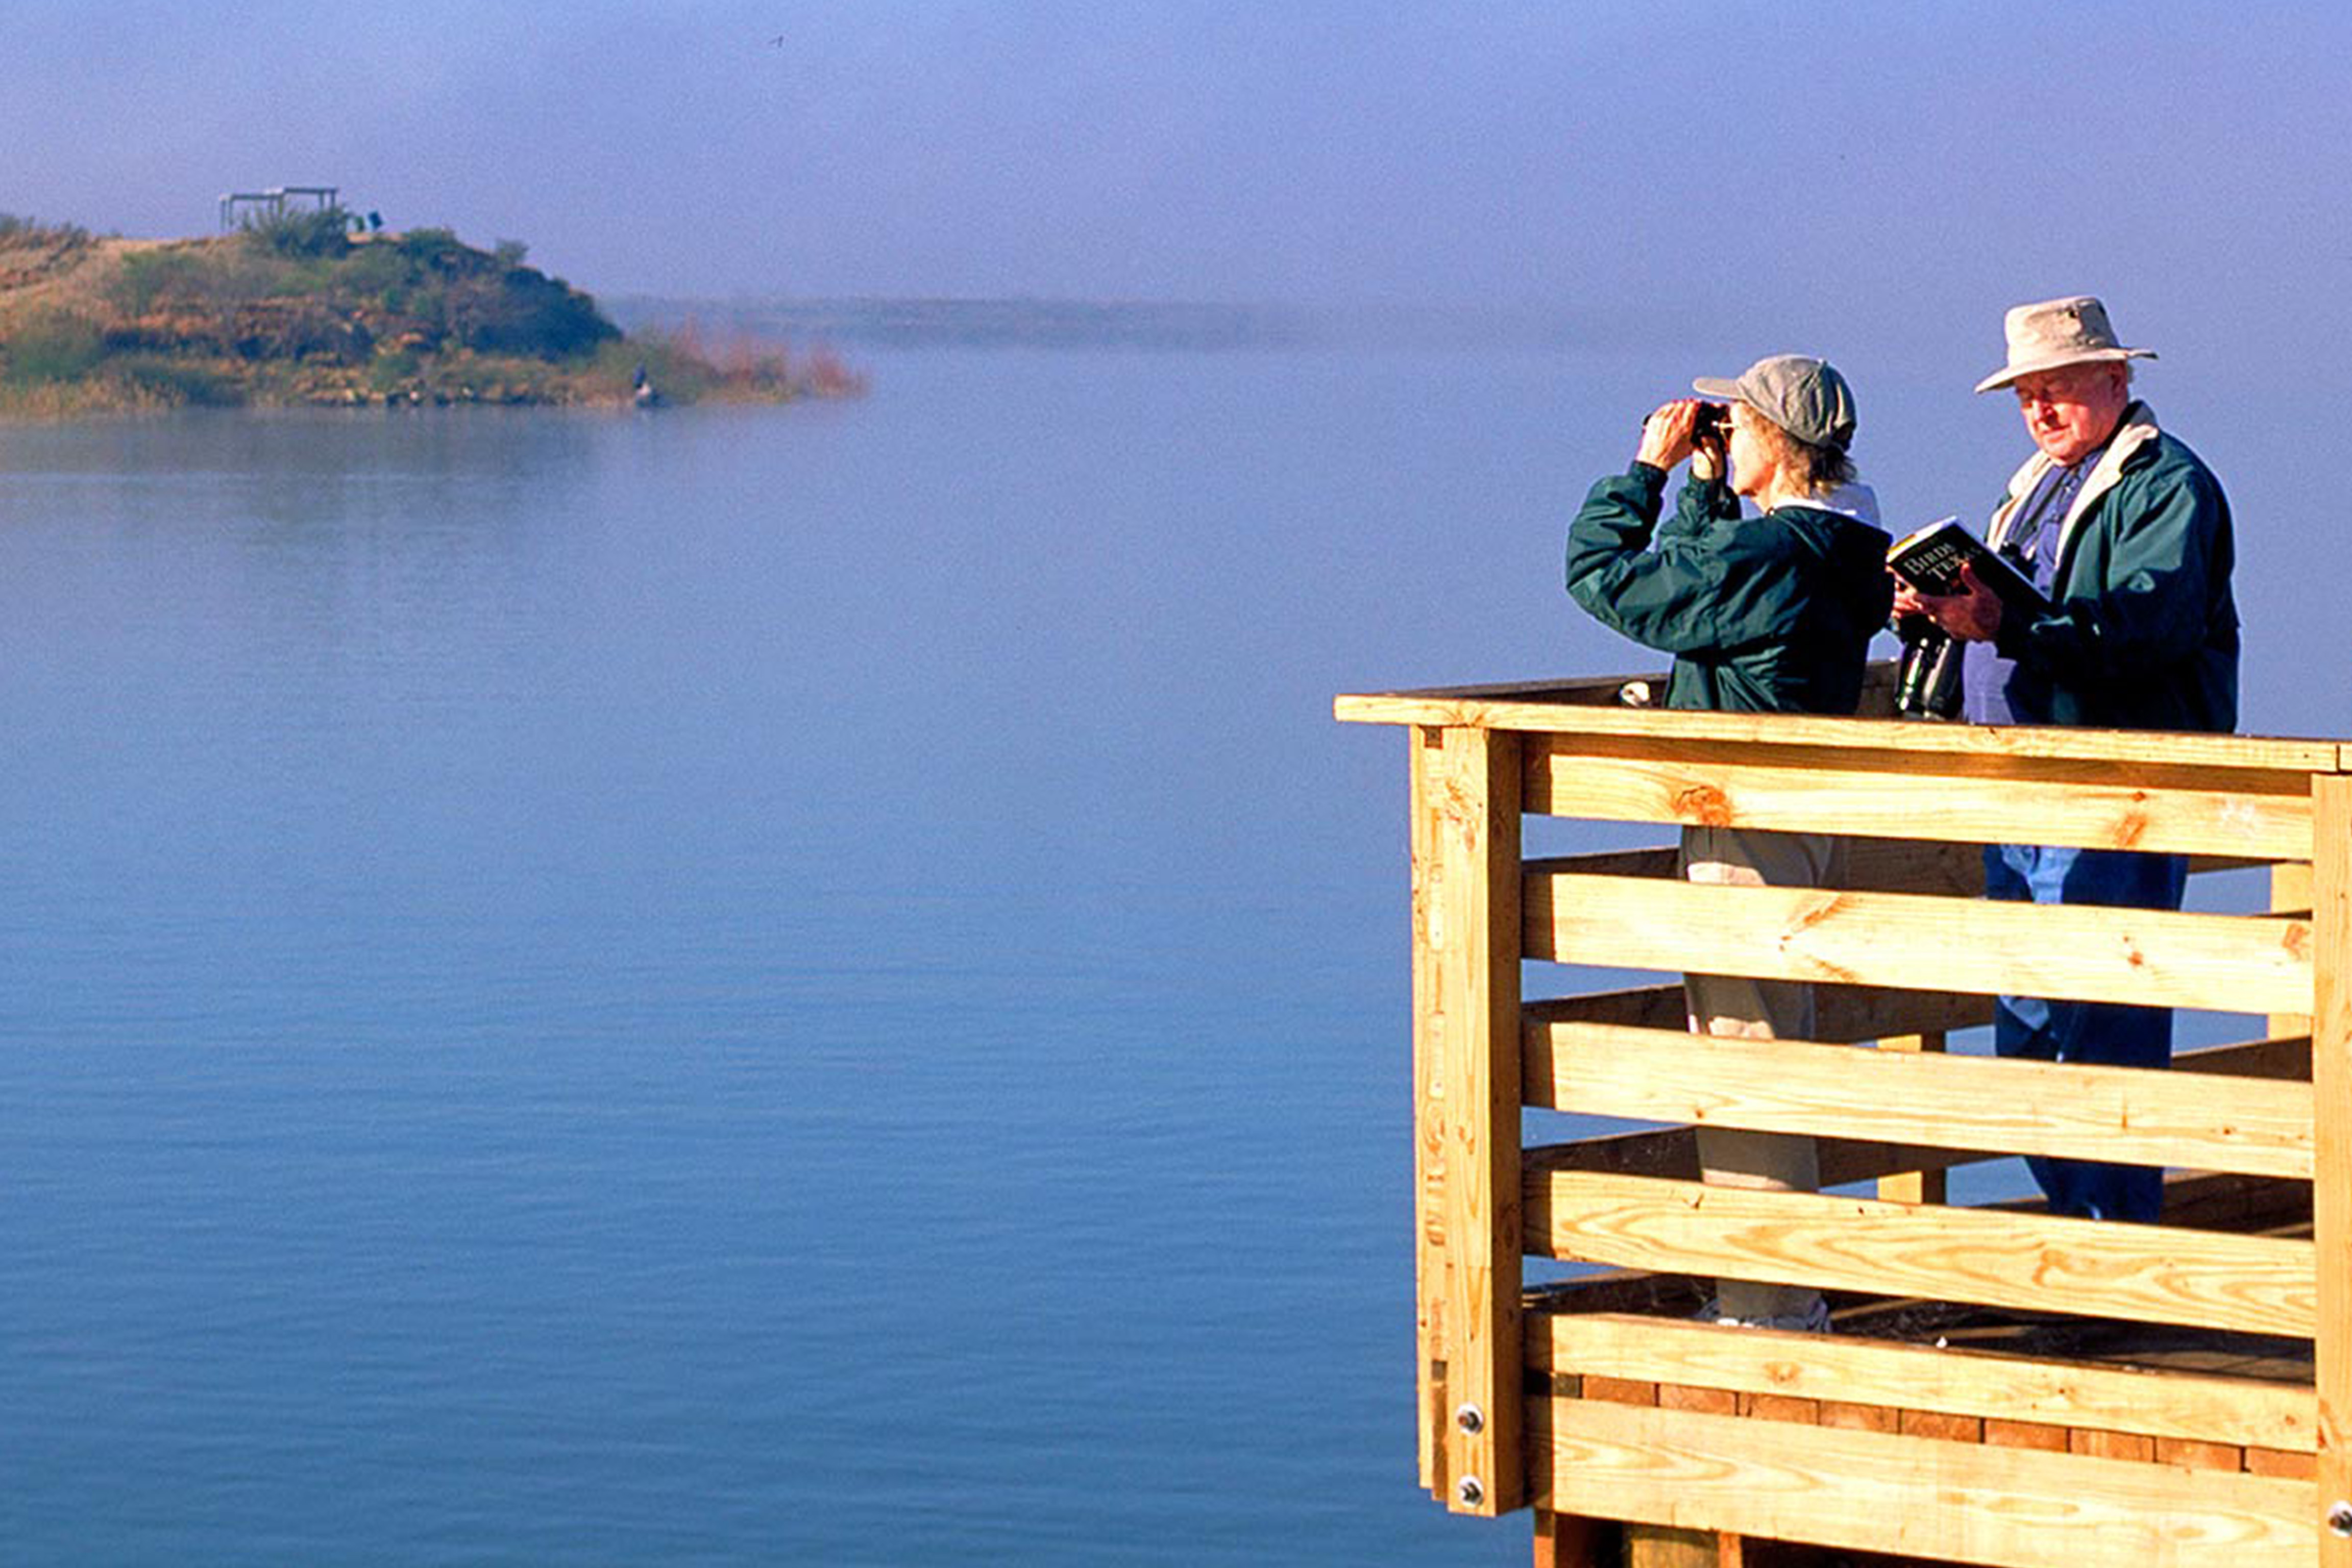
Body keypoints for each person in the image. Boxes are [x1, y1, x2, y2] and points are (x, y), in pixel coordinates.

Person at [1893, 295, 2239, 1222]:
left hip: (2117, 788)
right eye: (2026, 395)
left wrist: (2005, 622)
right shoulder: (2034, 486)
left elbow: (2147, 629)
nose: (2041, 410)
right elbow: (2023, 620)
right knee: (2031, 1023)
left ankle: (2115, 1246)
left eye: (2058, 390)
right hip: (2024, 784)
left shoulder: (2168, 486)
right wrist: (1937, 611)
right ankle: (2082, 1236)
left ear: (2117, 381)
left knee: (2106, 1021)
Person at [1565, 354, 1894, 1330]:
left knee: (1745, 1057)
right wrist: (1710, 495)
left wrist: (1645, 474)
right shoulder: (1845, 552)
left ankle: (1769, 1305)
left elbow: (1607, 581)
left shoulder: (1775, 558)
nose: (1722, 440)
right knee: (1772, 1048)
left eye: (1736, 427)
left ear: (1778, 445)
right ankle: (1785, 1286)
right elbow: (1712, 613)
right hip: (1804, 822)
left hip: (1744, 829)